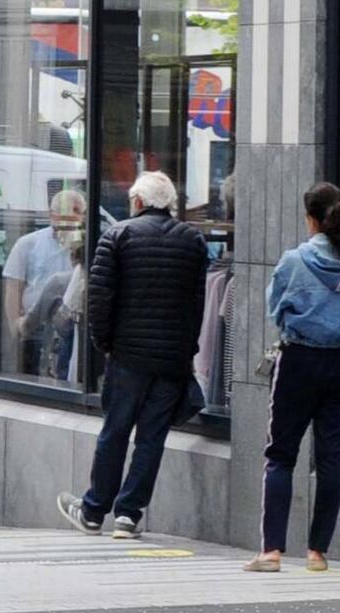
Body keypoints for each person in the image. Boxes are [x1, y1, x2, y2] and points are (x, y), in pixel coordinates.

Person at [56, 171, 208, 539]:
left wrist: (104, 343)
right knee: (151, 438)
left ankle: (93, 511)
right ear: (169, 203)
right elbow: (196, 303)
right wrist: (187, 348)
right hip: (171, 360)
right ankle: (128, 514)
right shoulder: (193, 241)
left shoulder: (118, 236)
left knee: (115, 432)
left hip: (128, 356)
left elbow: (100, 298)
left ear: (138, 202)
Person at [243, 182, 340, 573]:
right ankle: (318, 552)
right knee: (332, 458)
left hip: (298, 359)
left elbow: (274, 308)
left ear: (312, 219)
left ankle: (272, 551)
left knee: (280, 455)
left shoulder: (295, 260)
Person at [3, 189, 86, 375]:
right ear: (52, 215)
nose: (71, 221)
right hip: (36, 327)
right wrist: (15, 326)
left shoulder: (85, 246)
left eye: (77, 214)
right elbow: (14, 287)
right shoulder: (28, 244)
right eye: (66, 215)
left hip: (72, 328)